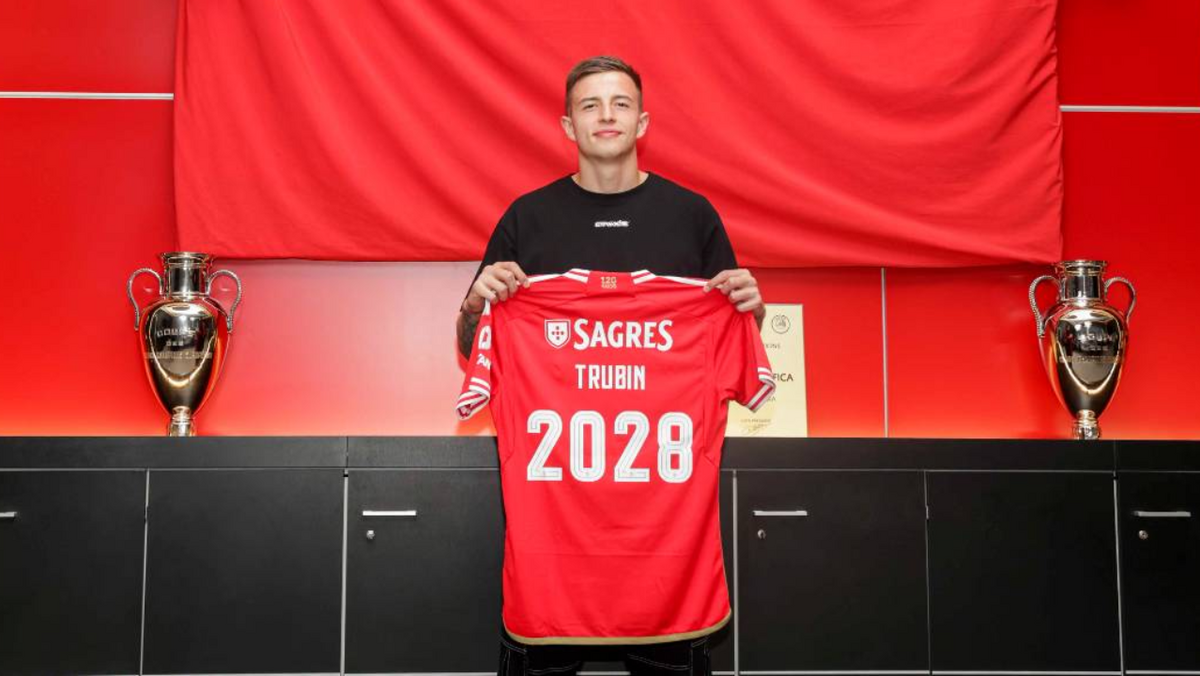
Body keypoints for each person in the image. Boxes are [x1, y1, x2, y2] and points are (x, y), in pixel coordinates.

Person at [456, 56, 765, 676]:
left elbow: (732, 344)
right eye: (590, 104)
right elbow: (476, 349)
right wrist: (474, 305)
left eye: (620, 103)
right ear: (568, 125)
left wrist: (750, 313)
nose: (606, 115)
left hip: (666, 549)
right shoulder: (526, 219)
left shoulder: (692, 216)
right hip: (553, 546)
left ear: (642, 122)